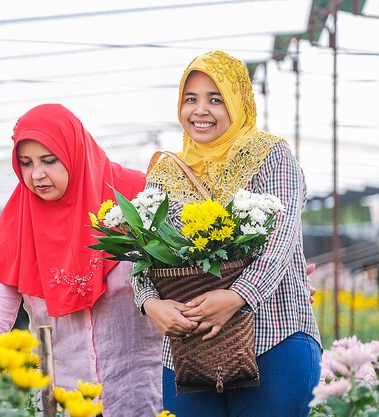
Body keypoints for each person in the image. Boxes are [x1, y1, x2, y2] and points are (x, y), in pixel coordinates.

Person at [132, 50, 321, 417]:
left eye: (215, 99)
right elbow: (142, 255)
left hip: (273, 339)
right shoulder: (166, 173)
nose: (200, 110)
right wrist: (150, 304)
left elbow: (279, 244)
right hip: (189, 352)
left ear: (238, 102)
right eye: (191, 99)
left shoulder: (271, 156)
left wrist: (236, 297)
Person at [0, 103, 163, 416]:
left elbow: (179, 275)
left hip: (142, 390)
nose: (36, 174)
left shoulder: (136, 195)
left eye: (48, 161)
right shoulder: (19, 219)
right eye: (25, 163)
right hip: (62, 399)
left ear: (74, 152)